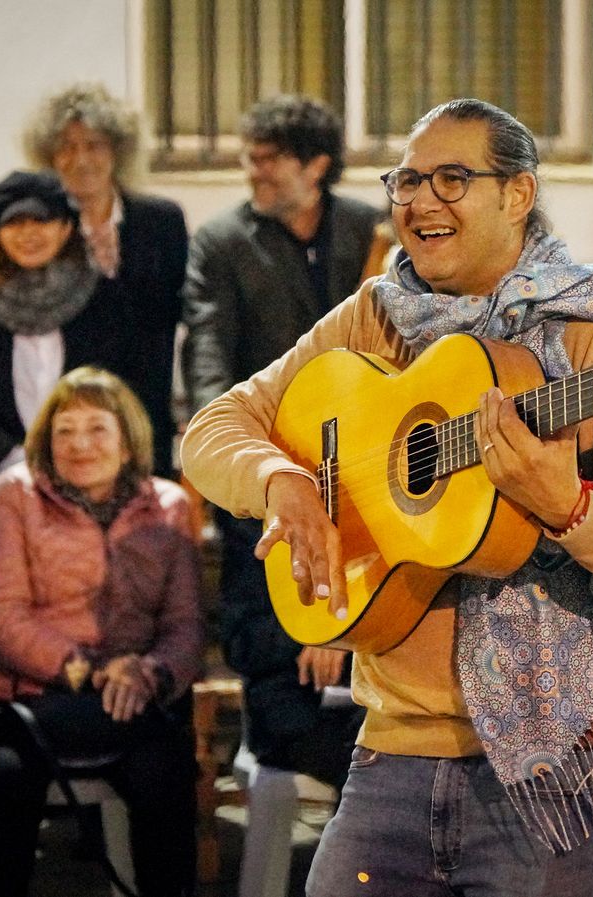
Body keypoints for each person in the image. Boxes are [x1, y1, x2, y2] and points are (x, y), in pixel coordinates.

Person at [181, 98, 593, 897]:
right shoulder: (375, 317)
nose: (418, 202)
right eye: (406, 180)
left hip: (562, 773)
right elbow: (214, 425)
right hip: (389, 757)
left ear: (518, 195)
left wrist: (570, 508)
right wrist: (281, 478)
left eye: (451, 178)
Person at [181, 94, 382, 795]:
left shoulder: (372, 229)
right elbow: (207, 348)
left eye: (268, 159)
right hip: (270, 461)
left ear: (317, 164)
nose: (252, 172)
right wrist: (232, 439)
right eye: (250, 158)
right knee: (267, 616)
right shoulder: (223, 241)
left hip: (365, 461)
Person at [0, 366, 203, 897]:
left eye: (96, 428)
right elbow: (3, 616)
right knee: (8, 775)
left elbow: (184, 626)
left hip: (133, 701)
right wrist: (96, 671)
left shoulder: (169, 505)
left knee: (165, 769)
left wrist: (150, 673)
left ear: (126, 442)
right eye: (64, 431)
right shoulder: (16, 496)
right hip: (34, 699)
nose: (79, 444)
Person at [0, 170, 128, 515]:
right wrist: (14, 461)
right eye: (13, 223)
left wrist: (74, 458)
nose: (29, 233)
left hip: (90, 479)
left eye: (42, 220)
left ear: (67, 227)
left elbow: (116, 390)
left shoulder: (102, 300)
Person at [25, 83, 188, 475]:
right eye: (66, 146)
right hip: (74, 432)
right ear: (49, 157)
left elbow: (181, 318)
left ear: (117, 151)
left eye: (94, 145)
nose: (81, 159)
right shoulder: (38, 230)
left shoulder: (161, 222)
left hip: (147, 420)